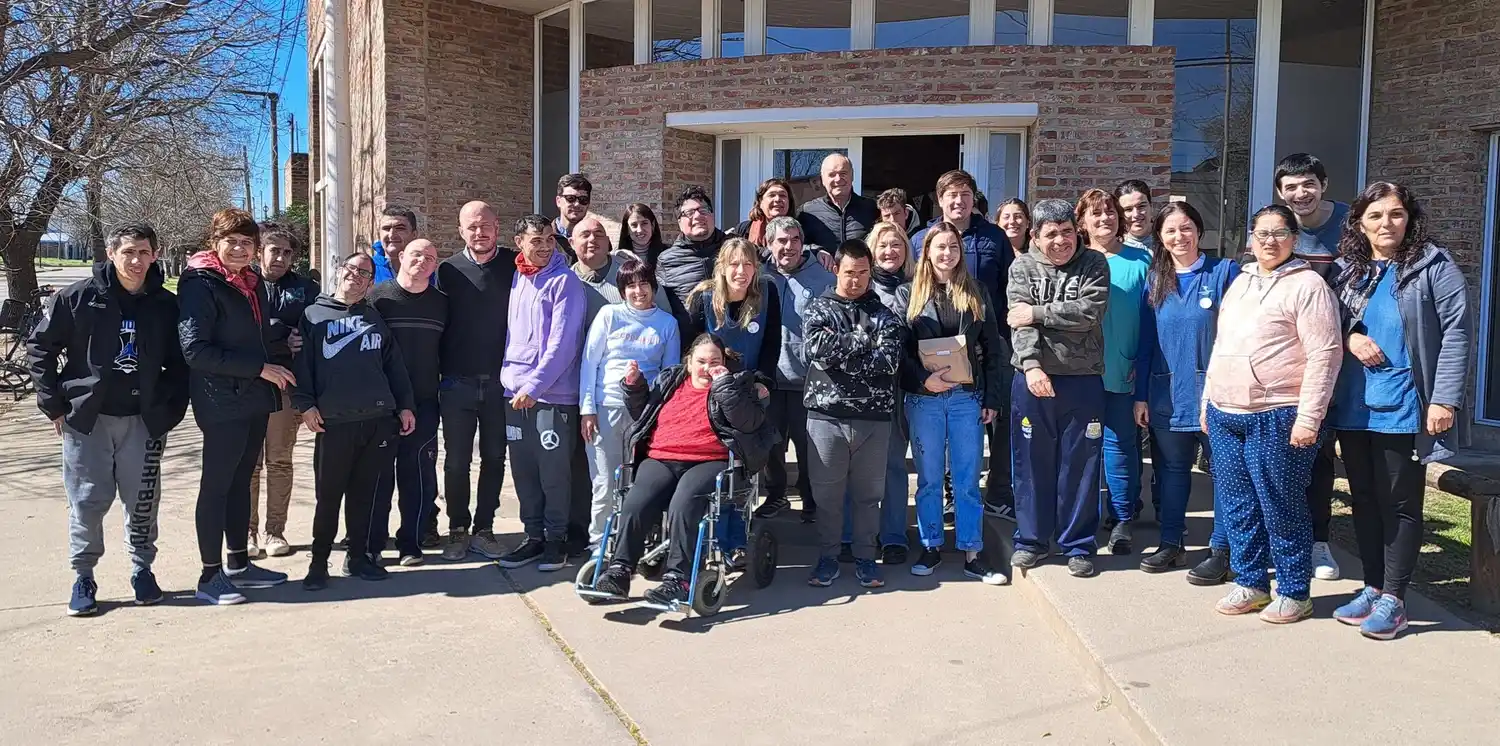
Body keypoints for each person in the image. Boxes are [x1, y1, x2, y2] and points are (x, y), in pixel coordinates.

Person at [1328, 182, 1470, 640]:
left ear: (1409, 218)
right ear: (1359, 222)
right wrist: (1350, 337)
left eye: (1395, 215)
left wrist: (1444, 398)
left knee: (1400, 503)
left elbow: (1458, 333)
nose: (1385, 224)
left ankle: (1395, 598)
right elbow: (1331, 320)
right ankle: (1372, 587)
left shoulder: (1433, 265)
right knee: (1364, 499)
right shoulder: (1348, 270)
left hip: (1405, 404)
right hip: (1353, 405)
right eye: (1375, 216)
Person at [28, 223, 189, 616]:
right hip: (89, 421)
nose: (136, 261)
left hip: (143, 421)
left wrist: (169, 410)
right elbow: (40, 348)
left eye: (144, 252)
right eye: (128, 252)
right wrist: (55, 405)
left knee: (143, 502)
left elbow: (181, 363)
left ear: (155, 254)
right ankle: (83, 576)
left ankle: (142, 571)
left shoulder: (165, 305)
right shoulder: (79, 297)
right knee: (87, 501)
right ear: (111, 252)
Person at [1203, 204, 1341, 624]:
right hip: (1226, 411)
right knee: (1239, 503)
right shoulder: (1240, 282)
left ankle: (1295, 590)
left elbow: (1325, 355)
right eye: (1261, 233)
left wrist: (1309, 418)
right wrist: (1207, 401)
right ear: (1251, 237)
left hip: (1278, 412)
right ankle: (1251, 583)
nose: (1269, 241)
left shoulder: (1309, 286)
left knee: (1280, 505)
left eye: (1279, 233)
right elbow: (1221, 343)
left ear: (1294, 239)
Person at [587, 334, 776, 606]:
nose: (707, 367)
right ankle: (619, 571)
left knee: (684, 503)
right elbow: (644, 412)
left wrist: (723, 385)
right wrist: (634, 386)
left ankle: (678, 579)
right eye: (701, 361)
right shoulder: (670, 381)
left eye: (715, 361)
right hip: (661, 457)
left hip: (710, 460)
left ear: (724, 362)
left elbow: (747, 422)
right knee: (635, 502)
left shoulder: (739, 384)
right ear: (689, 362)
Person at [177, 208, 294, 604]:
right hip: (221, 399)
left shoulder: (250, 282)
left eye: (248, 243)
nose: (241, 249)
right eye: (232, 241)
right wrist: (260, 367)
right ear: (215, 243)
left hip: (253, 397)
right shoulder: (200, 283)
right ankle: (210, 576)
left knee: (242, 481)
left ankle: (239, 564)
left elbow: (253, 336)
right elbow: (196, 350)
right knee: (217, 485)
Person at [293, 253, 416, 589]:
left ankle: (357, 557)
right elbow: (302, 367)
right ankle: (318, 563)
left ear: (370, 283)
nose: (357, 276)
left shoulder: (374, 318)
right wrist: (304, 406)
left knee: (364, 496)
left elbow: (394, 367)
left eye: (365, 273)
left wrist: (404, 406)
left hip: (377, 420)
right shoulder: (312, 317)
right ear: (340, 271)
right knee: (329, 497)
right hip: (334, 423)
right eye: (352, 269)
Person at [1132, 202, 1239, 575]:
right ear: (1160, 238)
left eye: (1187, 228)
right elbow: (1145, 342)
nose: (1180, 236)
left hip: (1218, 396)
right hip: (1167, 394)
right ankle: (1171, 543)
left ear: (1199, 230)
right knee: (1172, 472)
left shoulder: (1225, 273)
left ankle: (1222, 550)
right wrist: (1141, 396)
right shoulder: (1156, 280)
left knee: (1223, 472)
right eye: (1171, 231)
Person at [900, 223, 1009, 584]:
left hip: (967, 398)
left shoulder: (975, 292)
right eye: (939, 247)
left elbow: (993, 348)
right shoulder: (908, 295)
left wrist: (992, 397)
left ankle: (972, 551)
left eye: (953, 247)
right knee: (930, 479)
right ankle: (930, 544)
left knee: (966, 479)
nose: (946, 254)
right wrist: (922, 379)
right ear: (927, 252)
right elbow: (899, 352)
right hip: (924, 399)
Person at [1006, 199, 1110, 578]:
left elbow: (1090, 312)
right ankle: (1031, 540)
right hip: (1033, 379)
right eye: (1051, 234)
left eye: (1067, 231)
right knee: (1032, 464)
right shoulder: (1022, 267)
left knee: (1080, 464)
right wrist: (1032, 366)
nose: (1061, 240)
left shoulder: (1094, 263)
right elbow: (1018, 324)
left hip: (1083, 380)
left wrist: (1038, 312)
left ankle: (1078, 544)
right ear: (1034, 236)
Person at [802, 239, 906, 588]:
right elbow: (816, 351)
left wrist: (842, 347)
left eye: (863, 273)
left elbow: (888, 362)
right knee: (828, 496)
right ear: (836, 270)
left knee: (867, 496)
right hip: (826, 417)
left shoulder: (885, 316)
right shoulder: (818, 309)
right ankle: (828, 557)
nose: (856, 280)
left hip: (873, 419)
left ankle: (866, 558)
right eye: (850, 272)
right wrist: (863, 342)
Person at [913, 170, 1015, 521]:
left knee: (993, 425)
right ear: (940, 199)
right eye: (951, 195)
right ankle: (948, 496)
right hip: (933, 359)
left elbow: (1009, 286)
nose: (959, 201)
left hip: (986, 346)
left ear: (974, 198)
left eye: (965, 194)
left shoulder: (994, 237)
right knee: (940, 437)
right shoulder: (920, 239)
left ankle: (997, 493)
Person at [1271, 153, 1349, 582]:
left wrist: (1351, 333)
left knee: (1317, 454)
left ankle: (1319, 539)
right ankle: (1281, 536)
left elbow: (1364, 288)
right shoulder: (1277, 228)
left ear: (1323, 184)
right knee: (1280, 455)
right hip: (1285, 362)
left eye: (1308, 185)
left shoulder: (1350, 227)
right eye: (1291, 187)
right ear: (1280, 193)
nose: (1301, 194)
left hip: (1332, 358)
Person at [495, 214, 587, 571]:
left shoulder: (565, 282)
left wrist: (534, 386)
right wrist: (511, 380)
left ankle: (555, 540)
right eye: (537, 240)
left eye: (550, 239)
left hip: (552, 396)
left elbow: (563, 344)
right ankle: (532, 537)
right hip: (514, 395)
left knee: (553, 473)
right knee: (524, 472)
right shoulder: (519, 277)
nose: (546, 246)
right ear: (519, 242)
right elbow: (511, 335)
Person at [436, 201, 517, 561]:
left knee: (495, 458)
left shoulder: (515, 265)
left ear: (497, 226)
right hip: (457, 382)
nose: (479, 232)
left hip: (501, 382)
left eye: (485, 225)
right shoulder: (447, 270)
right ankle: (457, 529)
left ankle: (484, 528)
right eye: (471, 227)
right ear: (460, 230)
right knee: (455, 461)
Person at [579, 259, 680, 547]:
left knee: (639, 483)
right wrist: (587, 409)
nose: (638, 291)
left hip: (646, 412)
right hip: (606, 407)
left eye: (644, 284)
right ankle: (600, 544)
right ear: (622, 290)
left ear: (653, 286)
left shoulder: (666, 324)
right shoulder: (609, 315)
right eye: (631, 286)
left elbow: (669, 373)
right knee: (605, 482)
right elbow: (589, 363)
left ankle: (631, 542)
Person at [686, 237, 779, 545]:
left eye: (748, 264)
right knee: (712, 464)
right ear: (722, 268)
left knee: (743, 468)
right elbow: (692, 348)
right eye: (734, 264)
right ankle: (703, 531)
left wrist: (764, 383)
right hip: (710, 397)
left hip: (749, 395)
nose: (741, 270)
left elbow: (771, 344)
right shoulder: (704, 298)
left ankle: (736, 535)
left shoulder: (768, 294)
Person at [1076, 188, 1152, 553]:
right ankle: (1083, 516)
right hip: (1077, 372)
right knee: (1081, 448)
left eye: (1109, 211)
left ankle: (1122, 517)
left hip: (1124, 369)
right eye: (1096, 213)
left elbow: (1153, 320)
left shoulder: (1143, 260)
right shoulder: (1072, 260)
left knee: (1120, 447)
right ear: (1083, 221)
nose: (1104, 218)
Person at [369, 238, 448, 566]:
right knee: (377, 477)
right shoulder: (377, 299)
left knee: (418, 474)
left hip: (425, 402)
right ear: (401, 256)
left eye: (430, 257)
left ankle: (411, 543)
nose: (423, 261)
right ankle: (372, 543)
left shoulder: (442, 303)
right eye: (417, 254)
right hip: (380, 404)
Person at [753, 217, 833, 523]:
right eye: (781, 241)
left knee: (809, 447)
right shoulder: (759, 277)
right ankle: (776, 496)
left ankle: (811, 498)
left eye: (794, 240)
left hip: (809, 381)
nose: (788, 246)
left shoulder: (823, 278)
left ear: (803, 243)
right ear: (770, 244)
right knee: (772, 444)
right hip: (769, 380)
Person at [247, 223, 319, 560]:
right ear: (259, 250)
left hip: (286, 386)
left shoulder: (305, 289)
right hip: (247, 383)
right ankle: (246, 531)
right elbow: (242, 330)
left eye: (287, 252)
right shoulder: (242, 284)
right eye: (274, 249)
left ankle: (275, 531)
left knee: (278, 460)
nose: (280, 257)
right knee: (249, 462)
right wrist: (280, 335)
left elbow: (313, 331)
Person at [867, 221, 916, 564]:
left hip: (903, 387)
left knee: (895, 465)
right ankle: (859, 534)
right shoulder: (859, 286)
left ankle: (894, 535)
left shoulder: (917, 289)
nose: (890, 252)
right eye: (883, 245)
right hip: (864, 391)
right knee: (861, 468)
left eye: (896, 246)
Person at [657, 186, 729, 336]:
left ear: (712, 215)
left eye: (703, 210)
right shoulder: (667, 261)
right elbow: (660, 310)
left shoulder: (733, 247)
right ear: (679, 222)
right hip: (690, 348)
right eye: (689, 213)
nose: (697, 216)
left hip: (733, 345)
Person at [797, 153, 879, 252]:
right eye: (832, 175)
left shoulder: (871, 208)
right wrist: (816, 250)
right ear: (823, 179)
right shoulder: (807, 212)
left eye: (843, 173)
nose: (838, 179)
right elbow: (796, 245)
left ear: (852, 175)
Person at [732, 178, 796, 246]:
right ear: (760, 202)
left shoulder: (799, 230)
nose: (777, 199)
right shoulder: (744, 229)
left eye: (782, 195)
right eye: (772, 195)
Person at [372, 205, 422, 284]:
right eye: (386, 228)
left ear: (414, 234)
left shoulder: (426, 270)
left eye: (399, 228)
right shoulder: (367, 270)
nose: (392, 235)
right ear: (379, 234)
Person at [552, 172, 590, 262]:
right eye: (570, 198)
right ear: (558, 201)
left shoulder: (596, 238)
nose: (577, 204)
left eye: (583, 200)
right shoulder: (544, 238)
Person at [617, 203, 668, 268]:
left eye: (644, 223)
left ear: (653, 225)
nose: (639, 230)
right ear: (627, 230)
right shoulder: (618, 258)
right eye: (634, 225)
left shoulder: (667, 254)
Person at [1115, 180, 1155, 253]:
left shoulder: (1168, 241)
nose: (1136, 214)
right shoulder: (1114, 246)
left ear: (1151, 206)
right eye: (1128, 209)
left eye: (1141, 206)